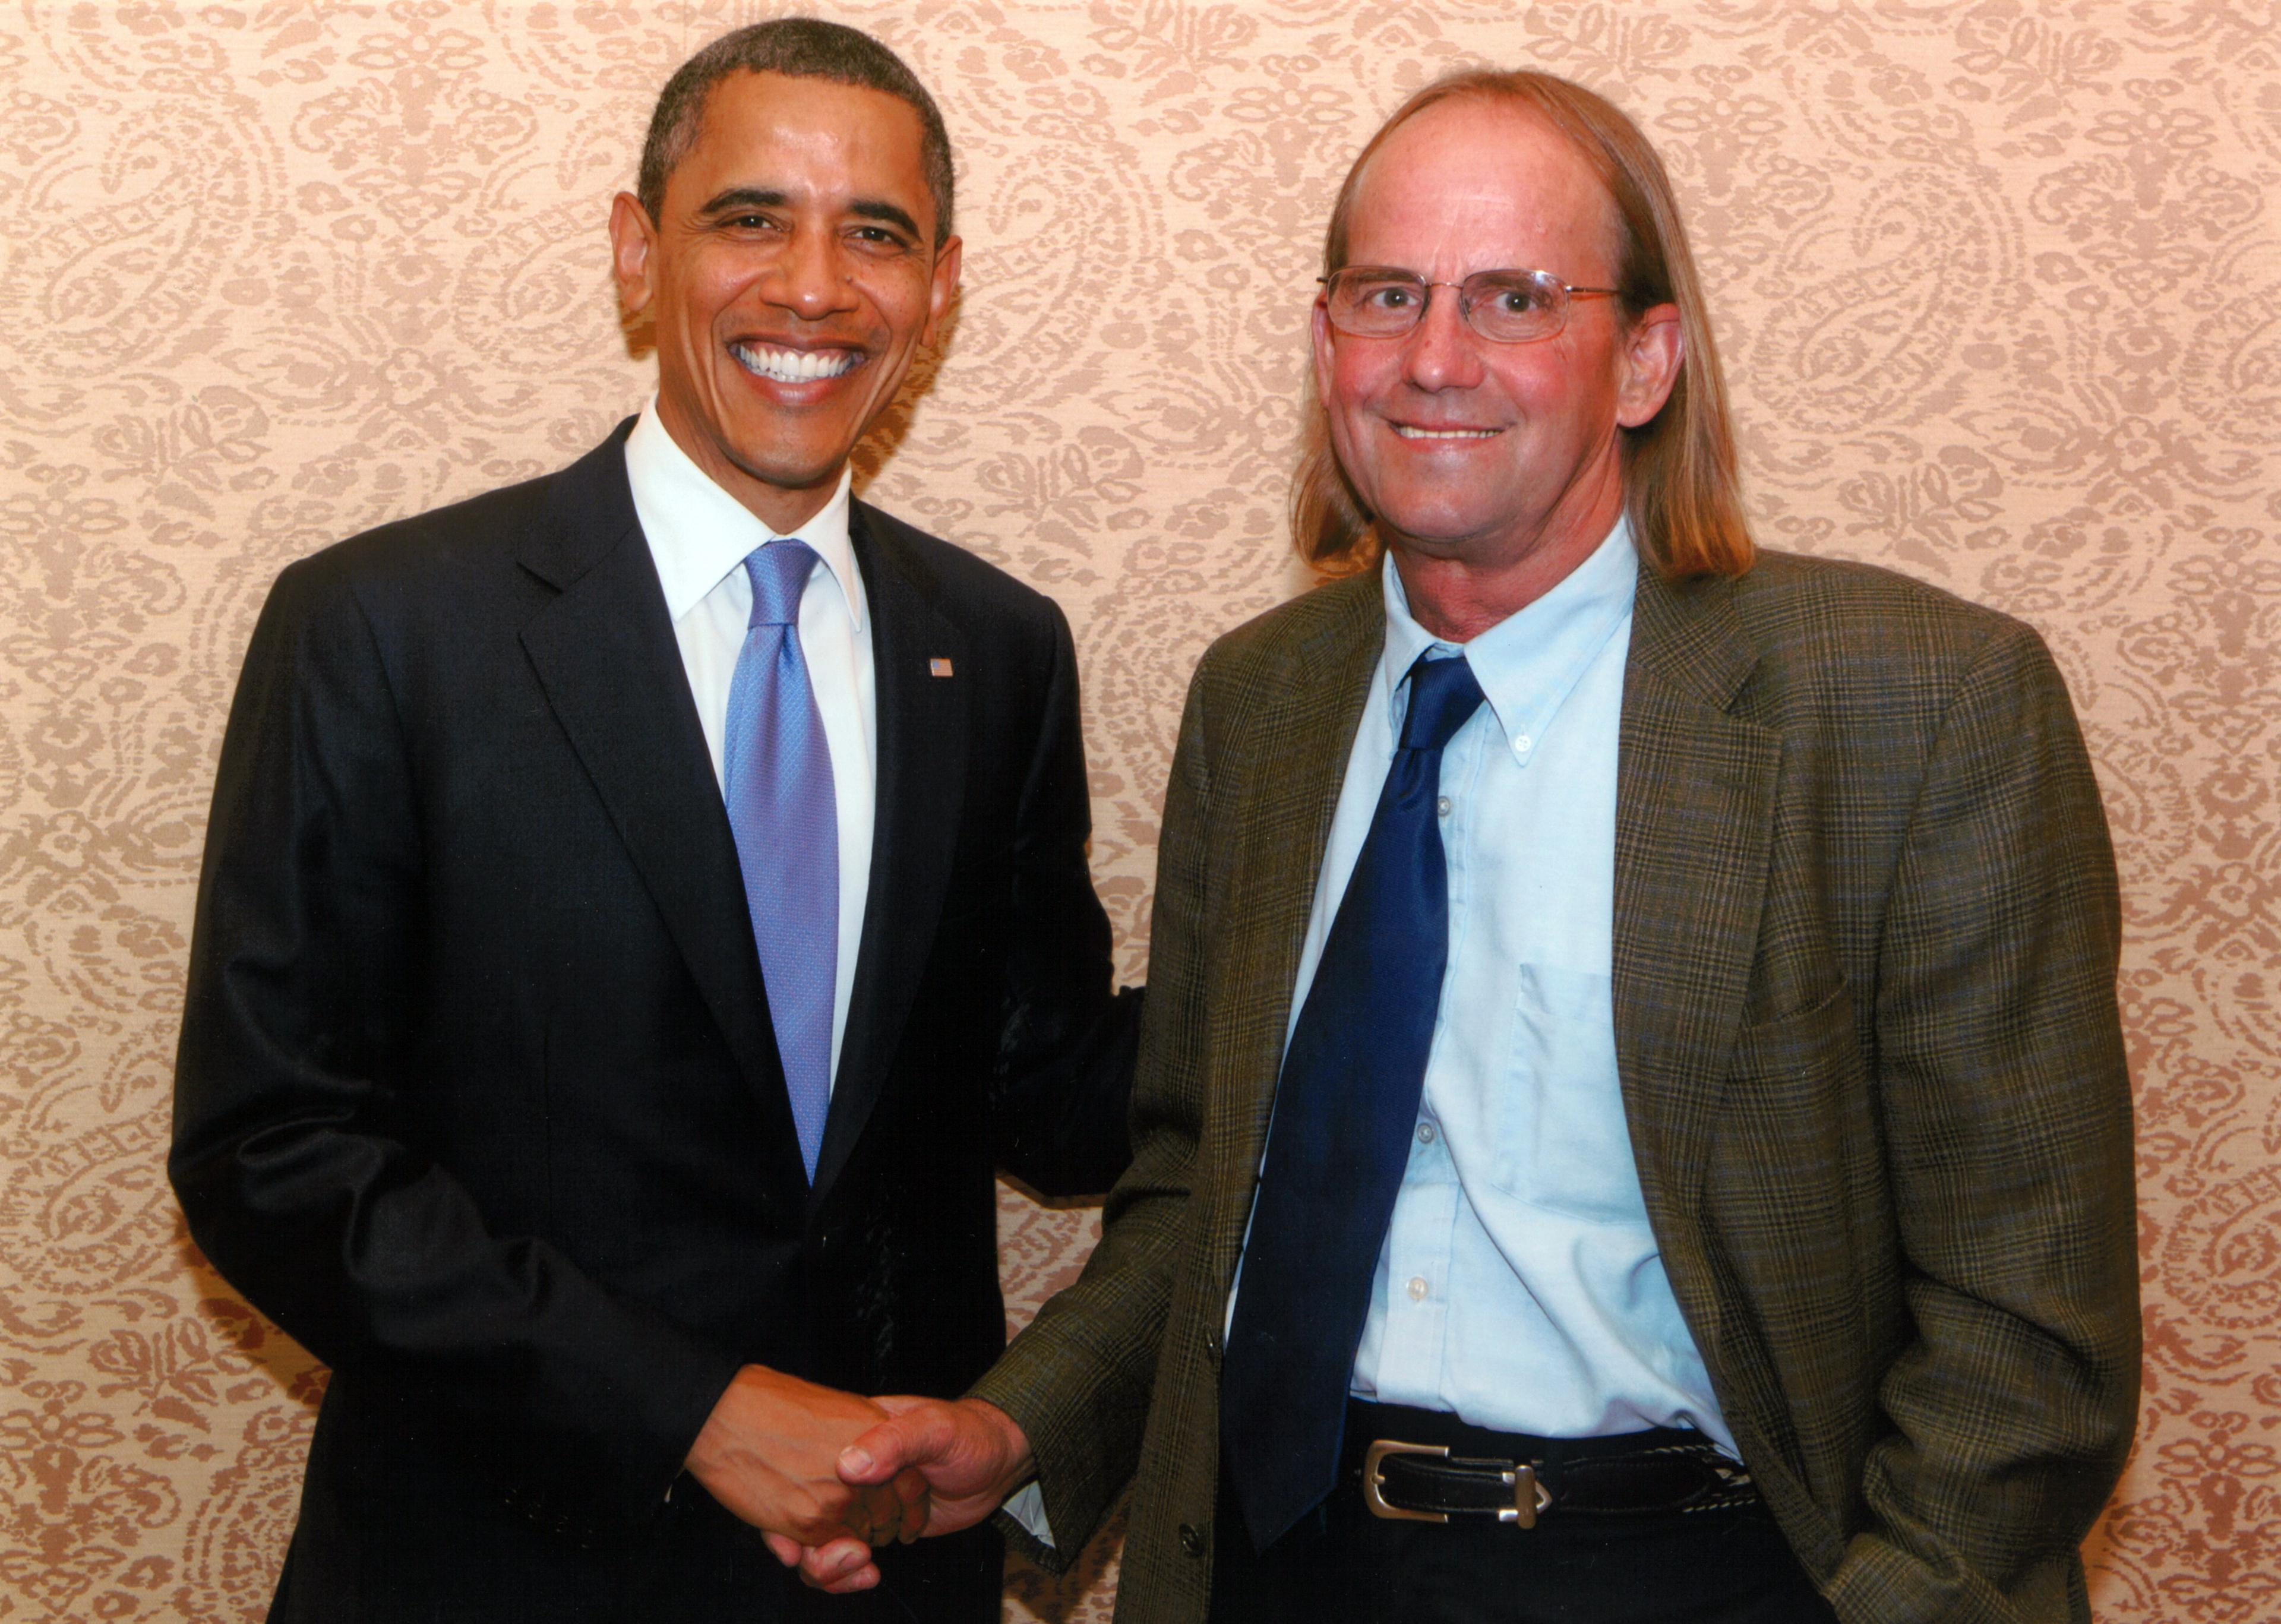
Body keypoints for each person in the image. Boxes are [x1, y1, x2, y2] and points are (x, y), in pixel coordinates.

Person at [800, 68, 2140, 1624]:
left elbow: (2024, 1341)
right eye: (1389, 295)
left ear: (1645, 357)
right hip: (1280, 1560)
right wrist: (1022, 1431)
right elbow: (1200, 1184)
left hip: (1694, 1569)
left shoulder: (1916, 708)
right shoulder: (1263, 702)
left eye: (1514, 298)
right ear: (1326, 344)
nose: (1435, 361)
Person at [169, 18, 1139, 1623]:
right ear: (638, 254)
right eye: (749, 217)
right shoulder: (390, 629)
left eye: (875, 233)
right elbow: (268, 1152)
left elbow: (1042, 1091)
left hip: (876, 1579)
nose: (814, 285)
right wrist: (689, 1407)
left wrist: (1354, 913)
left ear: (939, 287)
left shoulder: (999, 647)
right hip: (489, 1567)